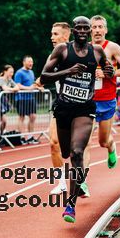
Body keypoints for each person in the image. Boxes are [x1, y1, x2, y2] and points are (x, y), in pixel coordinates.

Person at [39, 16, 113, 223]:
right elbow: (44, 76)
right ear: (74, 30)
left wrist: (109, 71)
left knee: (77, 153)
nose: (82, 31)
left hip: (85, 108)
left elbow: (109, 70)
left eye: (85, 28)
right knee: (64, 152)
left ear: (89, 31)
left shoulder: (97, 51)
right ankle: (75, 181)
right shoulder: (62, 50)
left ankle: (70, 205)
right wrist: (68, 72)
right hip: (63, 108)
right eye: (78, 28)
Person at [85, 15, 120, 174]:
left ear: (105, 29)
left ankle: (112, 147)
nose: (97, 30)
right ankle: (82, 180)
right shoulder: (83, 48)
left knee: (103, 141)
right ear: (90, 30)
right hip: (88, 101)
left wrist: (108, 74)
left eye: (100, 27)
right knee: (85, 142)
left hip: (107, 101)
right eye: (94, 27)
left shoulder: (112, 48)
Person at [43, 22, 71, 195]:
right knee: (54, 143)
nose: (51, 37)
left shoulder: (81, 52)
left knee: (77, 149)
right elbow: (45, 75)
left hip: (79, 105)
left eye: (55, 34)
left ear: (66, 36)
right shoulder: (53, 54)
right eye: (51, 34)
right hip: (60, 103)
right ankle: (61, 183)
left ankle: (81, 181)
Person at [14, 56, 40, 144]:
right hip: (21, 98)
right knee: (22, 117)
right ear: (24, 62)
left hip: (30, 98)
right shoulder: (19, 73)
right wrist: (28, 88)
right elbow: (18, 85)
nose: (31, 63)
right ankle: (21, 137)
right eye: (29, 62)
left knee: (33, 116)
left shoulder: (31, 72)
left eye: (32, 62)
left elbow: (33, 83)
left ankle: (30, 136)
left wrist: (38, 87)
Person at [0, 64, 19, 134]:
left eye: (13, 72)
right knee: (1, 121)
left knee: (4, 121)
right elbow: (4, 88)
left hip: (3, 101)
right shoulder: (0, 79)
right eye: (10, 72)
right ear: (5, 72)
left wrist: (11, 89)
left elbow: (17, 87)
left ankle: (0, 134)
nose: (12, 74)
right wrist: (13, 89)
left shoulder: (9, 79)